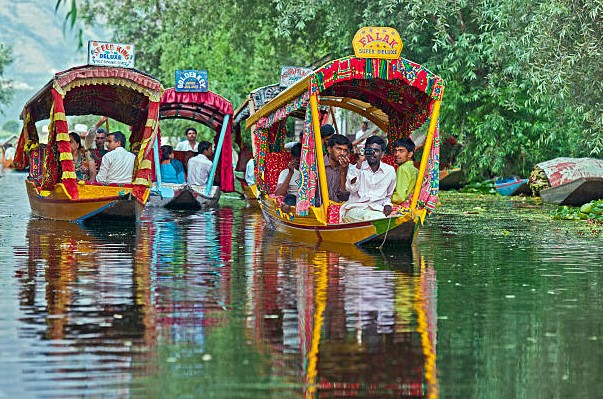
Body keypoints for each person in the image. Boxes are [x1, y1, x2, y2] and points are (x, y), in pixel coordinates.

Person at [340, 135, 396, 222]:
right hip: (354, 209)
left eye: (376, 151)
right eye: (370, 150)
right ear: (365, 151)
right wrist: (359, 164)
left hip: (377, 210)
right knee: (373, 218)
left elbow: (388, 195)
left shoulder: (390, 171)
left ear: (383, 154)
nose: (373, 154)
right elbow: (351, 188)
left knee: (396, 218)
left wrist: (387, 204)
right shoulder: (354, 168)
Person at [323, 134, 351, 202]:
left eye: (345, 150)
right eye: (339, 149)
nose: (342, 153)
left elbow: (344, 198)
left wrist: (343, 173)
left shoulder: (349, 168)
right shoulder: (318, 166)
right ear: (329, 149)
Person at [391, 137, 418, 204]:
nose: (396, 154)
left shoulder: (402, 169)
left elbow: (399, 197)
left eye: (401, 151)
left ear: (410, 154)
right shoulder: (416, 170)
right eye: (395, 151)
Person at [275, 143, 302, 208]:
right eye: (298, 161)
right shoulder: (285, 172)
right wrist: (290, 173)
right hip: (292, 201)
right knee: (290, 198)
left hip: (309, 199)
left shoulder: (312, 172)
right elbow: (278, 194)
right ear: (292, 158)